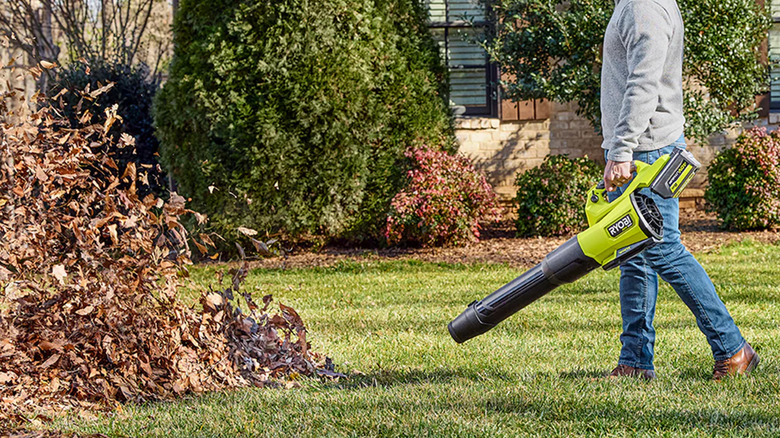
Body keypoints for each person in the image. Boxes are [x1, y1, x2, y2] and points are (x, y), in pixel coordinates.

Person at [599, 0, 759, 380]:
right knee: (633, 254)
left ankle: (732, 347)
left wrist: (622, 149)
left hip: (645, 151)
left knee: (662, 248)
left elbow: (644, 82)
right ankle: (636, 361)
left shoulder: (644, 7)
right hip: (643, 147)